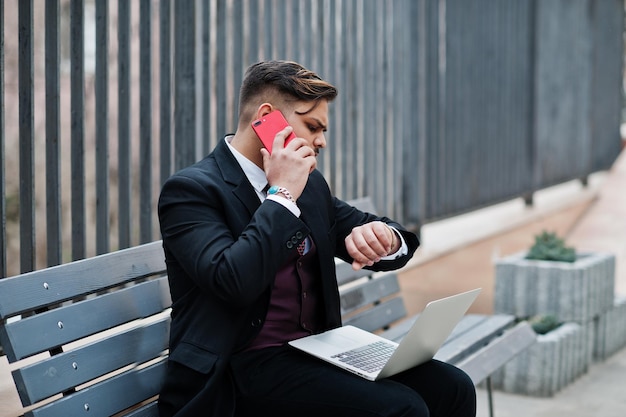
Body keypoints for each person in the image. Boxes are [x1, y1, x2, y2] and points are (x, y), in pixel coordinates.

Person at [157, 60, 476, 417]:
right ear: (266, 118)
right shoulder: (192, 191)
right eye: (313, 126)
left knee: (453, 387)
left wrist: (385, 237)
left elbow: (384, 234)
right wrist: (281, 195)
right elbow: (233, 281)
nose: (321, 141)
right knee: (402, 409)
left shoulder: (309, 186)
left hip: (317, 353)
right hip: (237, 373)